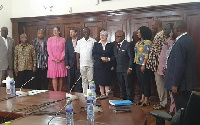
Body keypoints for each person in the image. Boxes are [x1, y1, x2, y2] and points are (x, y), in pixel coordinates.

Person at [164, 20, 197, 111]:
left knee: (181, 110)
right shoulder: (189, 40)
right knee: (186, 109)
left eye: (173, 29)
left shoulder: (180, 43)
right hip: (186, 83)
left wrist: (175, 84)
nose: (172, 31)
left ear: (177, 29)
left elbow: (179, 66)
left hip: (181, 84)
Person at [146, 20, 168, 110]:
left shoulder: (161, 35)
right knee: (159, 84)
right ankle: (163, 102)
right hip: (156, 65)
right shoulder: (157, 35)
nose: (152, 26)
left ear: (158, 25)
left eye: (153, 25)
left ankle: (163, 103)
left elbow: (162, 51)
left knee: (161, 84)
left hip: (160, 65)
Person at [157, 23, 176, 113]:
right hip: (162, 69)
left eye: (168, 29)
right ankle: (171, 108)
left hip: (167, 69)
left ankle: (172, 110)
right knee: (168, 90)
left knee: (172, 91)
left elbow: (170, 56)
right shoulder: (167, 40)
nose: (166, 30)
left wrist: (165, 67)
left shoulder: (173, 42)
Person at [92, 30, 115, 99]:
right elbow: (94, 54)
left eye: (103, 35)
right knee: (100, 81)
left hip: (107, 66)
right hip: (99, 66)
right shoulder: (96, 44)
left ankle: (107, 95)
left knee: (107, 81)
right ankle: (102, 95)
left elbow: (113, 55)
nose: (102, 36)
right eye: (101, 35)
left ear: (106, 36)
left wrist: (109, 60)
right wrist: (100, 58)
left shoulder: (110, 45)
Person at [134, 26, 153, 107]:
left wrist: (143, 64)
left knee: (146, 82)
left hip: (144, 65)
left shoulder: (147, 42)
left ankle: (147, 99)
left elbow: (147, 54)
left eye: (139, 32)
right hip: (137, 64)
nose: (137, 34)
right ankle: (142, 98)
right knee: (140, 82)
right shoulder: (138, 43)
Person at [113, 30, 134, 101]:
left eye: (119, 36)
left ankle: (129, 100)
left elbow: (131, 57)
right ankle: (123, 98)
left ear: (123, 37)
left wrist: (130, 68)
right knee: (121, 85)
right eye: (116, 36)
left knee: (128, 85)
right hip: (118, 69)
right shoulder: (115, 45)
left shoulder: (128, 45)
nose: (117, 38)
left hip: (126, 69)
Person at [75, 27, 97, 96]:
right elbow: (77, 53)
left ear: (89, 32)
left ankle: (91, 94)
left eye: (87, 32)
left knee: (91, 80)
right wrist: (77, 63)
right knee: (84, 80)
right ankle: (85, 94)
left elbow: (96, 53)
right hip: (82, 64)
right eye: (84, 32)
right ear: (82, 33)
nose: (86, 33)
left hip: (90, 64)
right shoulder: (79, 42)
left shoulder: (93, 41)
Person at [47, 26, 67, 91]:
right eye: (54, 31)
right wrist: (53, 58)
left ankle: (60, 90)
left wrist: (61, 58)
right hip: (52, 61)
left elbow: (64, 50)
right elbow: (49, 50)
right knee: (54, 76)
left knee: (61, 77)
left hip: (61, 60)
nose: (55, 32)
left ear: (59, 31)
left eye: (56, 30)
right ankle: (55, 91)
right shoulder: (50, 39)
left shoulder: (63, 40)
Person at [65, 28, 82, 93]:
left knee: (79, 80)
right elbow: (66, 53)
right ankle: (70, 92)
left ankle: (79, 93)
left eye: (72, 32)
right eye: (70, 32)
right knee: (70, 80)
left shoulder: (80, 41)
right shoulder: (68, 42)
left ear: (76, 33)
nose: (71, 33)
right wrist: (66, 64)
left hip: (78, 63)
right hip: (70, 64)